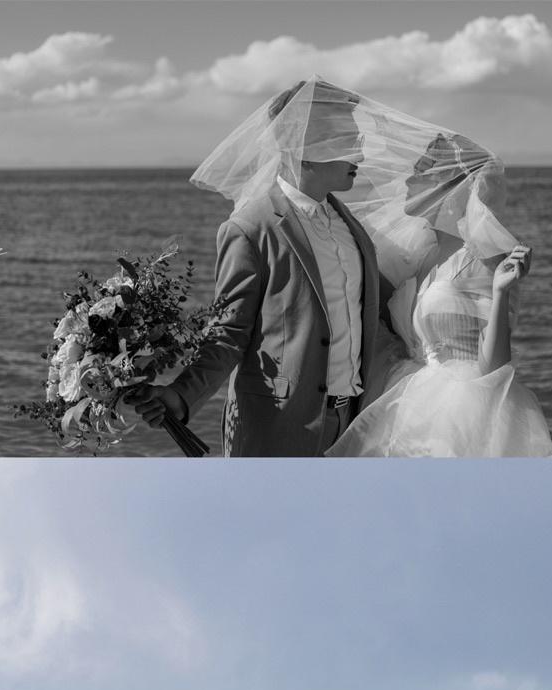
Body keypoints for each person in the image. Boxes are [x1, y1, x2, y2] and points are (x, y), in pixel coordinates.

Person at [127, 80, 404, 456]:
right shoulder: (250, 229)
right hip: (278, 428)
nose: (361, 154)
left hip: (354, 424)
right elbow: (228, 332)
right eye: (348, 140)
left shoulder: (351, 226)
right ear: (306, 147)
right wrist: (181, 394)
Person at [329, 133, 552, 457]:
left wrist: (501, 291)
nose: (408, 180)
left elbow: (494, 367)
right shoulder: (424, 255)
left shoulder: (481, 261)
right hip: (406, 401)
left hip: (461, 414)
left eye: (421, 172)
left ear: (451, 186)